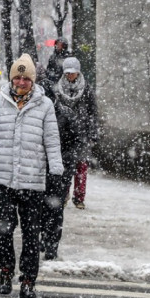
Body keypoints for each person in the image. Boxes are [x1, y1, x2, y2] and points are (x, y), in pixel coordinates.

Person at [0, 53, 63, 298]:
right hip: (3, 179)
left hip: (33, 181)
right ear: (12, 78)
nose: (21, 82)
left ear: (32, 80)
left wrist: (55, 172)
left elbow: (52, 142)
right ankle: (5, 271)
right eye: (18, 77)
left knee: (30, 233)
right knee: (2, 230)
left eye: (26, 78)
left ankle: (28, 279)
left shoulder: (45, 105)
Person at [53, 56, 98, 212]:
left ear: (78, 72)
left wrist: (92, 132)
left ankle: (79, 197)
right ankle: (63, 194)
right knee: (64, 167)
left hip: (81, 134)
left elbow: (93, 112)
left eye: (73, 72)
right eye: (67, 72)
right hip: (63, 134)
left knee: (81, 167)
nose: (70, 75)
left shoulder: (86, 89)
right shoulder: (57, 89)